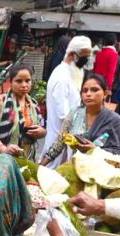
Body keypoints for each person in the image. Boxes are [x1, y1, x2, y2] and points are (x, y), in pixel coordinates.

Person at [41, 74, 120, 166]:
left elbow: (119, 151)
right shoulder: (75, 113)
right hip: (74, 169)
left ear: (105, 94)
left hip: (101, 172)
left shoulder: (114, 119)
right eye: (85, 91)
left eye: (94, 90)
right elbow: (59, 142)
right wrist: (40, 166)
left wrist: (94, 150)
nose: (88, 94)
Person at [42, 36, 92, 167]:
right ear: (72, 54)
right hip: (58, 139)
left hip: (66, 139)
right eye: (84, 57)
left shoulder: (71, 74)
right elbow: (64, 116)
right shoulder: (62, 78)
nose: (86, 61)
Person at [0, 63, 46, 161]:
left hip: (28, 158)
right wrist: (3, 149)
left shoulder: (33, 104)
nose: (24, 85)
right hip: (3, 158)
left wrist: (41, 132)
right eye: (19, 81)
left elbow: (43, 129)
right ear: (10, 82)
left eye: (27, 81)